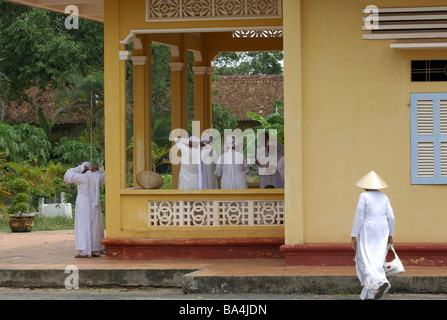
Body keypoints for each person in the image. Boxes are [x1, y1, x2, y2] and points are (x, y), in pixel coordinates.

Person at [351, 170, 395, 300]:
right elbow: (391, 217)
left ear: (365, 185)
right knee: (377, 260)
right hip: (383, 229)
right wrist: (391, 234)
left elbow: (359, 216)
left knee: (364, 259)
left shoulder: (364, 196)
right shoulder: (384, 197)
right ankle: (369, 295)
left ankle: (382, 282)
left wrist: (354, 234)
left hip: (368, 229)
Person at [64, 162, 105, 258]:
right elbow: (108, 177)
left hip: (83, 205)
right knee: (95, 226)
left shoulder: (81, 177)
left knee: (83, 226)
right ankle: (95, 250)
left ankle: (84, 251)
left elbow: (67, 176)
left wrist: (80, 168)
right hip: (95, 205)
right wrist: (99, 169)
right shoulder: (97, 176)